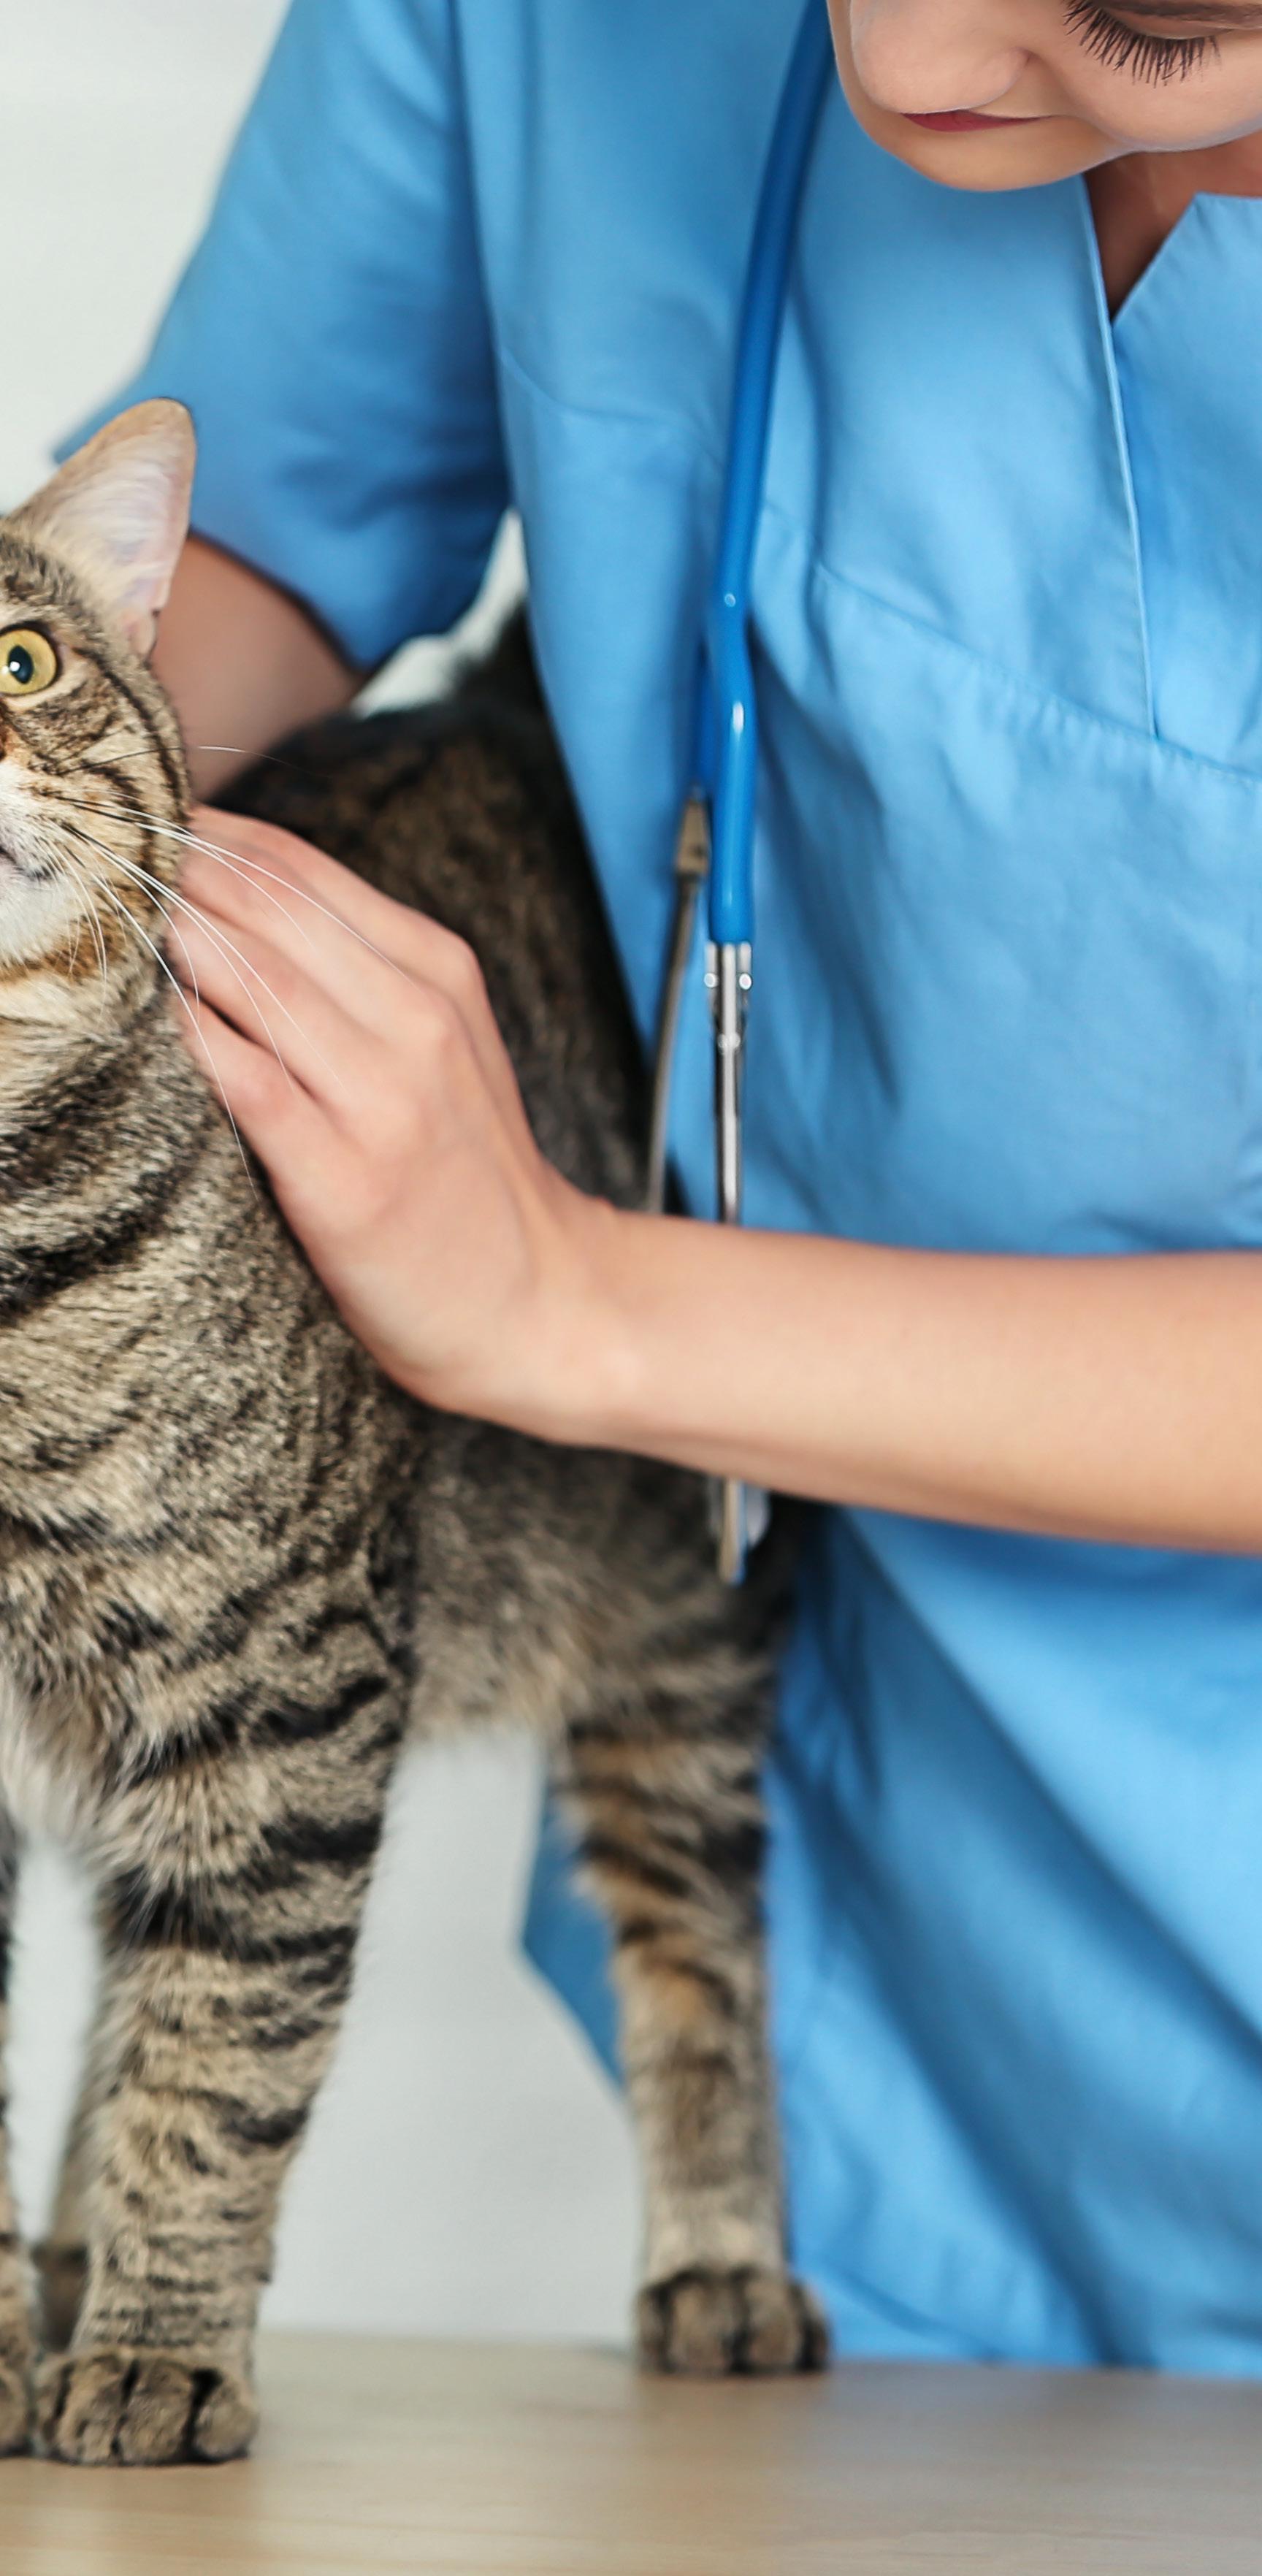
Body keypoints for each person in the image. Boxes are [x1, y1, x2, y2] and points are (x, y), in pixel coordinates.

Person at [75, 0, 1262, 2369]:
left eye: (1144, 18)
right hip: (876, 2017)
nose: (912, 52)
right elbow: (246, 539)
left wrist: (574, 1308)